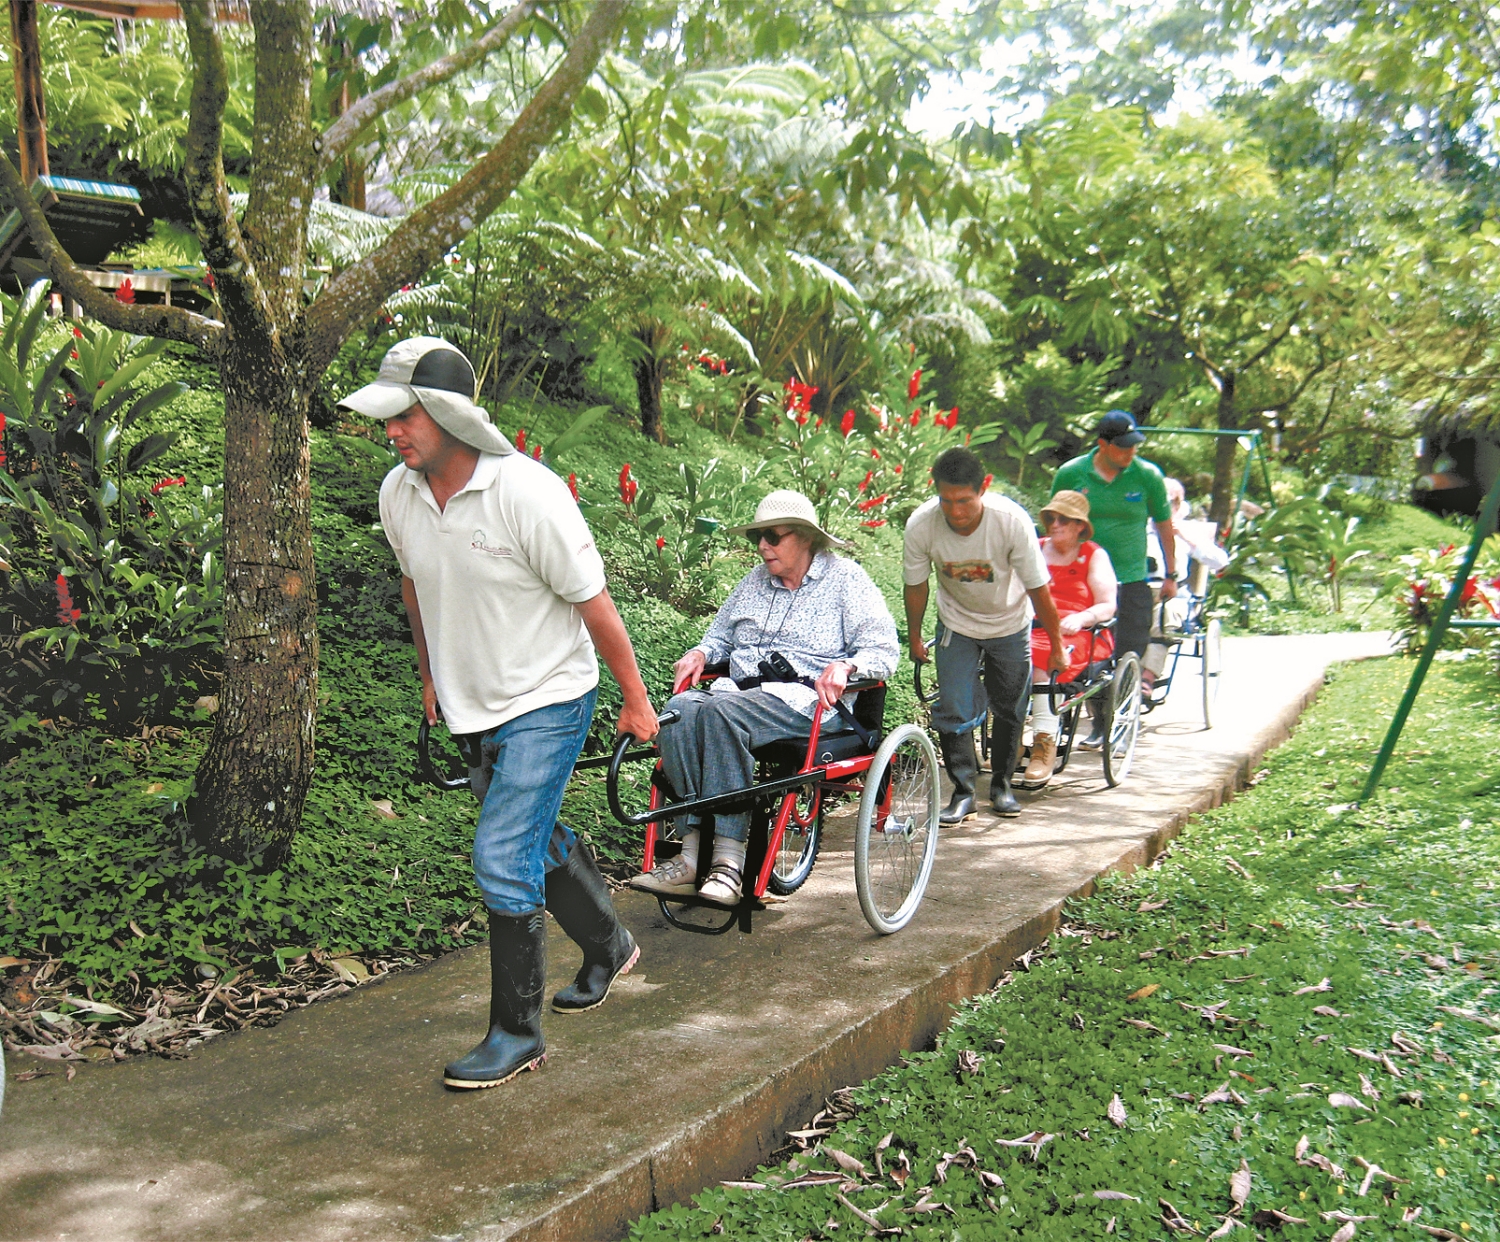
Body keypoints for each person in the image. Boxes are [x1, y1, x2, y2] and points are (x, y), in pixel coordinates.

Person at [342, 337, 658, 1091]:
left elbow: (594, 604)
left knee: (500, 854)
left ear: (450, 416)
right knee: (530, 837)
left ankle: (517, 1033)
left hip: (549, 695)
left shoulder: (529, 494)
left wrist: (637, 700)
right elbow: (416, 586)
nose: (391, 430)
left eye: (405, 415)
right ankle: (610, 944)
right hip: (472, 702)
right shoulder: (400, 493)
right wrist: (430, 678)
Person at [632, 490, 899, 906]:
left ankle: (728, 861)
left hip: (806, 702)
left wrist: (846, 667)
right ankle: (689, 855)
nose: (762, 546)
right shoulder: (754, 582)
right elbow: (720, 634)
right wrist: (702, 653)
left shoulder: (846, 580)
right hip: (740, 694)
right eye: (758, 537)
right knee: (679, 711)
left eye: (773, 536)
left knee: (722, 713)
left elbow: (883, 651)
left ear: (805, 538)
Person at [903, 447, 1068, 820]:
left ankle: (1002, 787)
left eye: (964, 501)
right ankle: (963, 791)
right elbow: (916, 584)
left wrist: (1057, 644)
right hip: (957, 623)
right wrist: (915, 636)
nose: (956, 512)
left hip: (1010, 623)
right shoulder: (922, 524)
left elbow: (1039, 588)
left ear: (984, 488)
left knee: (1010, 707)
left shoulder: (1010, 522)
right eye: (946, 501)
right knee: (953, 706)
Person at [1050, 411, 1176, 744]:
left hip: (1131, 577)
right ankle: (1097, 723)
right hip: (1082, 578)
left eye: (1134, 446)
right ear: (1102, 445)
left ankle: (1122, 722)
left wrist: (1172, 573)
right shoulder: (1072, 474)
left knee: (1128, 652)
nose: (1131, 452)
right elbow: (1054, 523)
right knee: (1090, 652)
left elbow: (1164, 524)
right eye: (1123, 447)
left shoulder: (1147, 476)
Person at [1020, 491, 1117, 789]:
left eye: (1064, 519)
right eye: (1051, 517)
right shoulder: (1034, 548)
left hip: (1077, 633)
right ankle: (1008, 742)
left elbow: (1107, 605)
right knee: (1005, 655)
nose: (1055, 524)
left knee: (1044, 657)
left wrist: (1083, 618)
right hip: (1030, 624)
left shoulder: (1093, 554)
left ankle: (1044, 745)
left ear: (1080, 526)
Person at [1141, 478, 1229, 691]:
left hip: (1173, 595)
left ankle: (1147, 677)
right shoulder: (1137, 529)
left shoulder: (1187, 531)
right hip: (1137, 589)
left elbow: (1220, 561)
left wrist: (1185, 536)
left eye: (1165, 502)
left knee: (1164, 616)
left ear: (1177, 506)